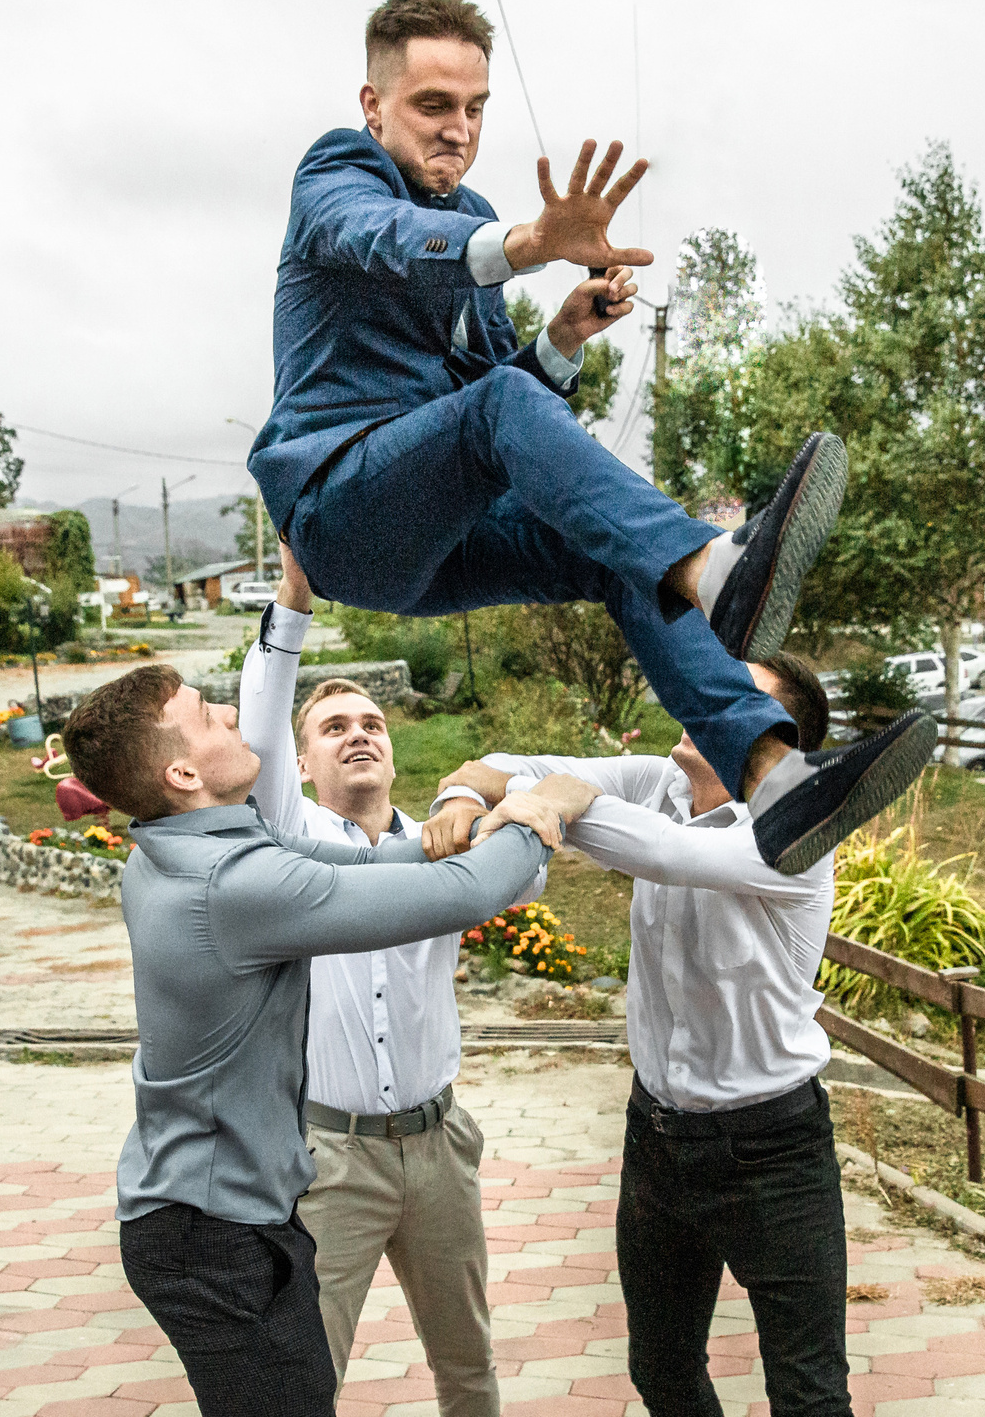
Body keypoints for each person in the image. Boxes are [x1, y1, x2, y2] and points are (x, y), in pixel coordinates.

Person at [249, 0, 935, 874]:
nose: (459, 129)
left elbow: (493, 402)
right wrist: (531, 244)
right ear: (374, 105)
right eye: (433, 106)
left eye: (475, 108)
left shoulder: (470, 213)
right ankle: (711, 568)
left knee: (617, 554)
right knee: (530, 435)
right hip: (338, 509)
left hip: (433, 538)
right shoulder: (339, 172)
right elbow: (381, 237)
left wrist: (563, 339)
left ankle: (771, 778)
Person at [60, 661, 599, 1417]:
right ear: (182, 773)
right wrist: (547, 807)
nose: (230, 713)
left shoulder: (169, 847)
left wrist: (471, 823)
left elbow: (375, 860)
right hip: (210, 1231)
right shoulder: (235, 885)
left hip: (220, 1213)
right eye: (207, 714)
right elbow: (467, 892)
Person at [422, 656, 853, 1417]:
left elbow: (668, 853)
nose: (701, 695)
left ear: (776, 745)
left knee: (809, 1394)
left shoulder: (797, 831)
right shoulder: (657, 781)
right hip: (656, 1135)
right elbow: (497, 766)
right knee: (660, 1369)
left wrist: (558, 799)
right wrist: (466, 793)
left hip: (772, 1147)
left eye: (733, 695)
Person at [238, 556, 514, 1415]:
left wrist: (474, 796)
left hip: (439, 1148)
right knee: (305, 1378)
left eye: (372, 723)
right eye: (333, 727)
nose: (358, 734)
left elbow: (530, 831)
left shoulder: (445, 849)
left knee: (469, 1367)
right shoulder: (285, 842)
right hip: (332, 1157)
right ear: (303, 761)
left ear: (392, 752)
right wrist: (294, 598)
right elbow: (259, 728)